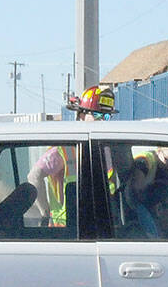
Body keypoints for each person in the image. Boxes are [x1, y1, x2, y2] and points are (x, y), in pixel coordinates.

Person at [29, 85, 116, 226]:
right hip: (66, 232)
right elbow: (33, 176)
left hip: (100, 226)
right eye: (97, 115)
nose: (103, 121)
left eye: (106, 116)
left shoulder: (107, 148)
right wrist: (45, 213)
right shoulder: (64, 149)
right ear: (81, 115)